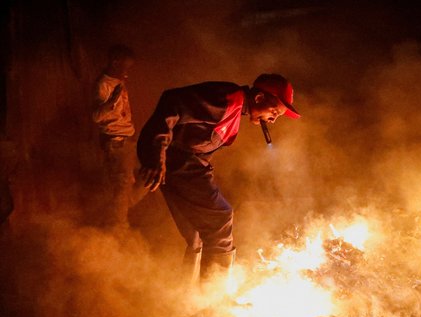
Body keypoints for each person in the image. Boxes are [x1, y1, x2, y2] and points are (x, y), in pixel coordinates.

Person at [137, 74, 300, 284]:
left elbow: (202, 153)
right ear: (259, 98)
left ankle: (189, 297)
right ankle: (214, 299)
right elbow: (173, 102)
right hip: (174, 159)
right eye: (274, 112)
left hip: (186, 164)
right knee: (220, 219)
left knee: (199, 230)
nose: (273, 119)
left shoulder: (235, 114)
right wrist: (156, 155)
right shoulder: (228, 99)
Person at [92, 44, 137, 227]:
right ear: (114, 62)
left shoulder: (119, 81)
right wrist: (111, 101)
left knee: (131, 184)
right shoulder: (103, 84)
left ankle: (114, 221)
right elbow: (96, 117)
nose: (127, 72)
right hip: (116, 142)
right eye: (125, 67)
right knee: (121, 189)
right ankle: (118, 230)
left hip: (127, 141)